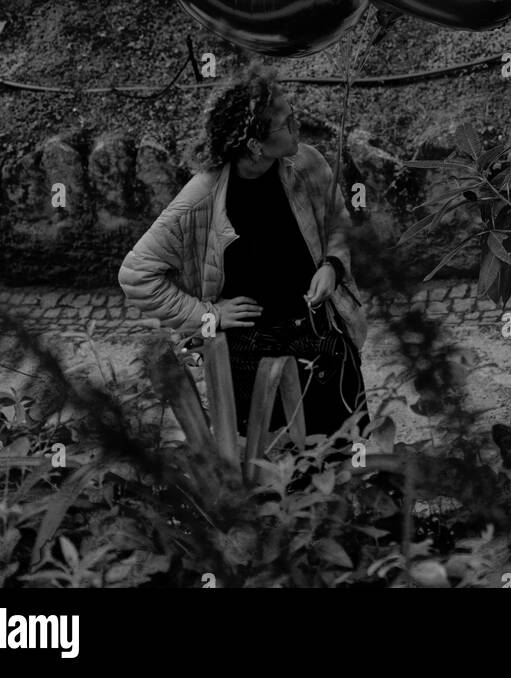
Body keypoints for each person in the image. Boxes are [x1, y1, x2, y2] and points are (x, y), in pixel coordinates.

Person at [118, 63, 367, 439]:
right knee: (276, 458)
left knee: (346, 441)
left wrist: (332, 265)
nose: (297, 126)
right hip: (249, 355)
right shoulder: (200, 198)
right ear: (255, 145)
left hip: (318, 335)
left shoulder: (307, 163)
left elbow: (337, 220)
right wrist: (209, 315)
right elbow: (136, 276)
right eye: (287, 123)